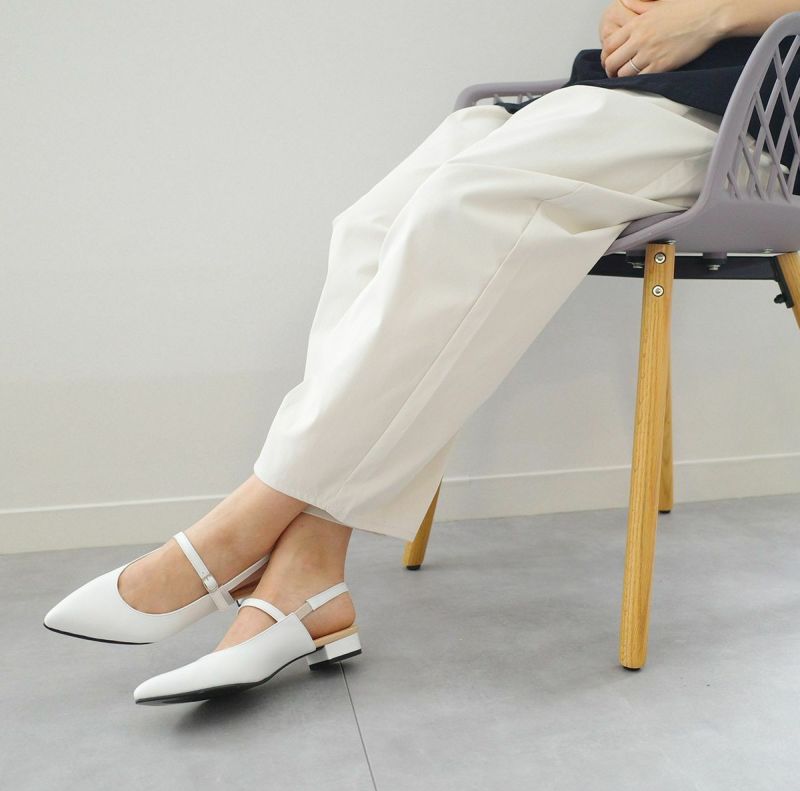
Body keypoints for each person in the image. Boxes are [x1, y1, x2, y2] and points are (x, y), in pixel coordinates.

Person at [43, 0, 800, 705]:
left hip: (745, 122)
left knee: (464, 207)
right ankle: (307, 581)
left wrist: (714, 15)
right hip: (619, 94)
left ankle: (235, 532)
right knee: (372, 225)